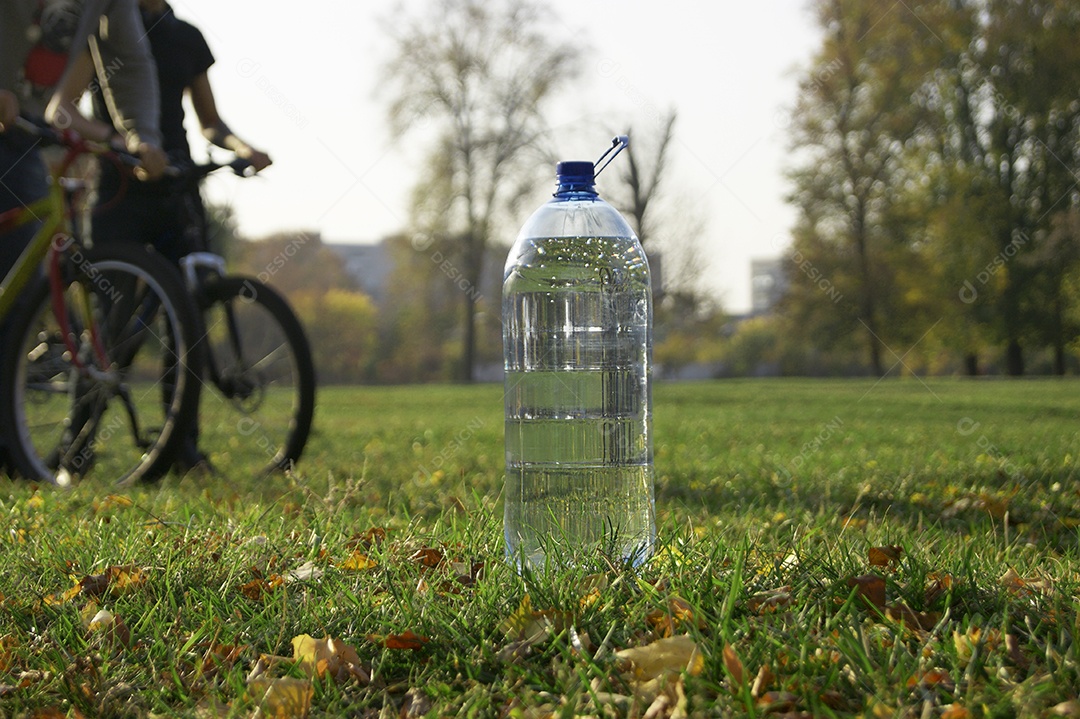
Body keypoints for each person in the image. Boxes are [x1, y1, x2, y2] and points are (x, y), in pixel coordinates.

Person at [91, 0, 272, 472]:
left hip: (175, 186)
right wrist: (118, 144)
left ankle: (181, 448)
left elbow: (210, 122)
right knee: (113, 322)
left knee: (187, 320)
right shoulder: (106, 28)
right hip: (119, 190)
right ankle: (79, 439)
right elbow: (69, 109)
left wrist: (243, 147)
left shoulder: (185, 36)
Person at [0, 0, 167, 477]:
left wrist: (141, 136)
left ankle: (6, 451)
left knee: (24, 277)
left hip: (22, 134)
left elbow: (129, 59)